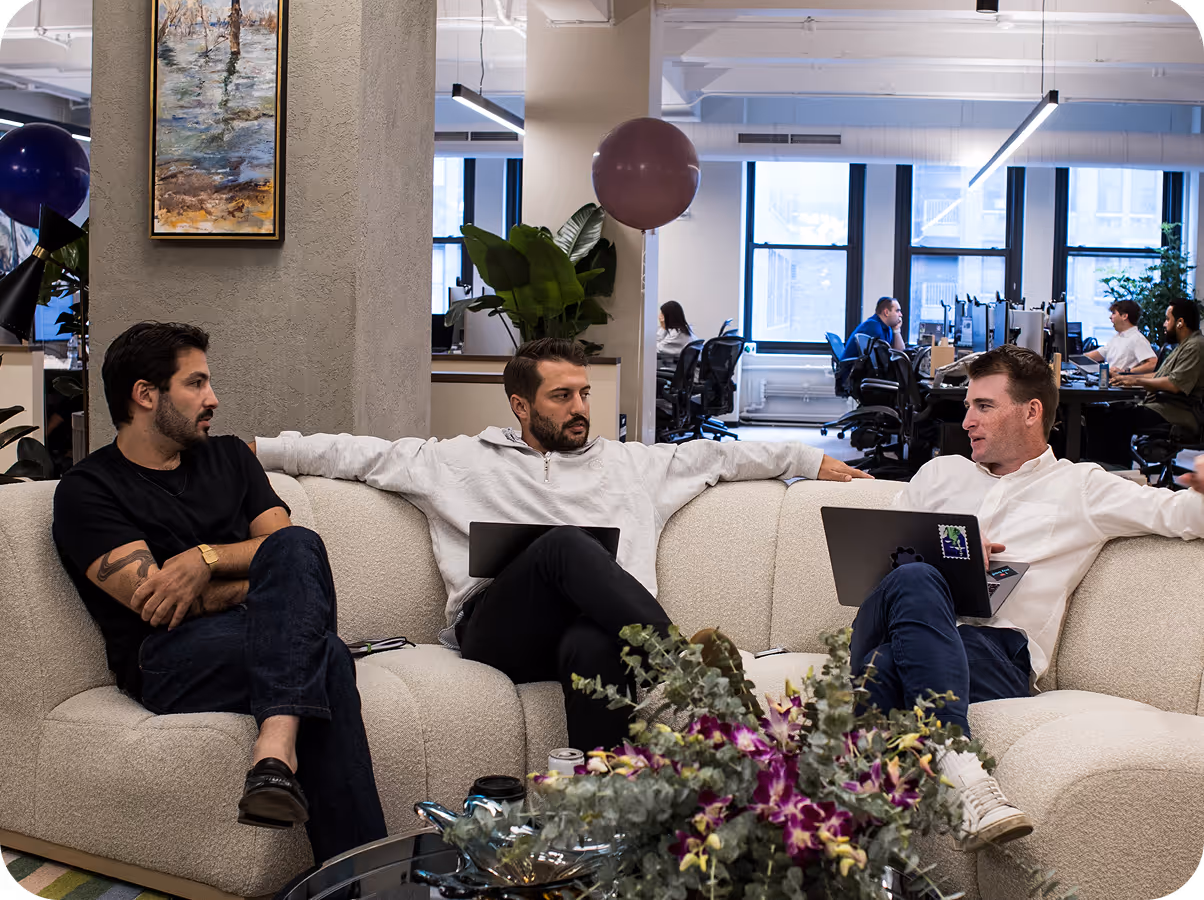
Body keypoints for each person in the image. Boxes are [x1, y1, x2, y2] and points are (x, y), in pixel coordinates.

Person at [252, 337, 870, 752]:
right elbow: (351, 452)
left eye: (584, 394)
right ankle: (684, 667)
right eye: (561, 397)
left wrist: (812, 459)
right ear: (521, 405)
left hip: (601, 633)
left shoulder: (633, 465)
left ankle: (607, 805)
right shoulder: (455, 461)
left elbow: (723, 456)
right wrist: (254, 450)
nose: (580, 409)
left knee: (593, 640)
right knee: (566, 546)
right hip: (498, 631)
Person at [51, 322, 386, 864]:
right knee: (322, 653)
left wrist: (204, 560)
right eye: (196, 384)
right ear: (145, 395)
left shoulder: (230, 456)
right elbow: (161, 605)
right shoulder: (88, 490)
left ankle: (275, 756)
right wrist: (260, 581)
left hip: (262, 632)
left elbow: (288, 549)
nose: (213, 399)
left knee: (301, 546)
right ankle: (366, 879)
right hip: (169, 657)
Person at [848, 344, 1204, 851]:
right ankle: (965, 776)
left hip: (996, 655)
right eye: (968, 405)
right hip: (891, 619)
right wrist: (952, 561)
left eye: (984, 406)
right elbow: (875, 574)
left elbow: (1183, 518)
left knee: (886, 667)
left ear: (1032, 411)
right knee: (915, 577)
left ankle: (848, 843)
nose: (967, 419)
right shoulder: (938, 475)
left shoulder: (1083, 488)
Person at [1085, 298, 1204, 467]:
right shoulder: (1184, 345)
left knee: (1114, 418)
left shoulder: (1196, 346)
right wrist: (1127, 378)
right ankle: (1098, 469)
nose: (1164, 324)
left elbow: (1174, 384)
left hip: (1175, 413)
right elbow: (1159, 375)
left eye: (1167, 319)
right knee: (1099, 413)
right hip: (1163, 407)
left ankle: (1115, 473)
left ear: (1180, 323)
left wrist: (1135, 379)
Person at [1083, 298, 1157, 376]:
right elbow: (1100, 354)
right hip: (1111, 382)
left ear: (1124, 316)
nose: (1110, 317)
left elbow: (1152, 363)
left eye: (1114, 313)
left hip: (1123, 386)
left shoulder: (1137, 339)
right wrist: (1074, 359)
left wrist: (1126, 372)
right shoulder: (1117, 337)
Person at [839, 297, 906, 363]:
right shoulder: (873, 327)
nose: (901, 315)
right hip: (851, 371)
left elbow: (899, 353)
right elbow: (884, 361)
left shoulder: (887, 328)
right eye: (897, 311)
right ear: (886, 312)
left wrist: (896, 330)